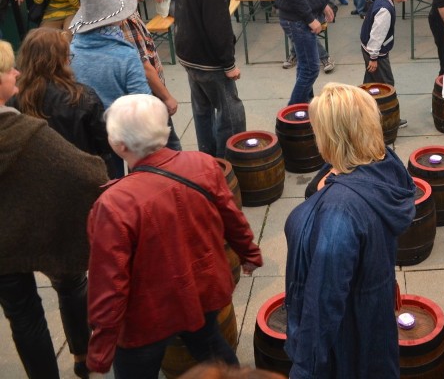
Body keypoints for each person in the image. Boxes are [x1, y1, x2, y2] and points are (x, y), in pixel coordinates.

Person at [86, 94, 263, 378]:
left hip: (147, 315)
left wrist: (99, 352)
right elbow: (233, 219)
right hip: (200, 290)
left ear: (119, 145)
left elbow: (109, 284)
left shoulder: (113, 204)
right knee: (210, 345)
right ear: (166, 130)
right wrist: (249, 253)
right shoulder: (203, 165)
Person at [284, 83, 415, 378]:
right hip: (374, 318)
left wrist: (304, 369)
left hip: (345, 340)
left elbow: (324, 300)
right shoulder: (385, 164)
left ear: (332, 136)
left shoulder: (339, 213)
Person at [0, 38, 108, 379]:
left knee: (23, 317)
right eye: (7, 69)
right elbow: (88, 171)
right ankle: (82, 356)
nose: (15, 71)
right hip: (50, 225)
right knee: (71, 285)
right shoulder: (23, 131)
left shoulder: (24, 107)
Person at [69, 0, 150, 177]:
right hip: (121, 135)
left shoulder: (70, 53)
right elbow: (143, 100)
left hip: (84, 135)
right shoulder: (125, 55)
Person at [175, 0, 247, 157]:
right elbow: (218, 23)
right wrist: (228, 63)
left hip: (189, 55)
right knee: (230, 114)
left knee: (202, 111)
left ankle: (207, 158)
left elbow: (203, 7)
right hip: (209, 61)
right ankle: (227, 163)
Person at [103, 0, 182, 151]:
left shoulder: (122, 8)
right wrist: (166, 97)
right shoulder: (123, 16)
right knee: (169, 149)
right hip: (148, 99)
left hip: (139, 101)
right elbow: (144, 66)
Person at [12, 27, 111, 159]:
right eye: (67, 56)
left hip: (34, 174)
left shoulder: (13, 97)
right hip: (85, 173)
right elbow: (104, 143)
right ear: (61, 60)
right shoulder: (82, 97)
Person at [361, 0, 415, 89]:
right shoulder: (385, 10)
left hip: (369, 49)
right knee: (387, 85)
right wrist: (373, 58)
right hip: (376, 54)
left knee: (370, 81)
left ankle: (365, 104)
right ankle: (383, 106)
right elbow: (377, 35)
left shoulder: (382, 0)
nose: (405, 0)